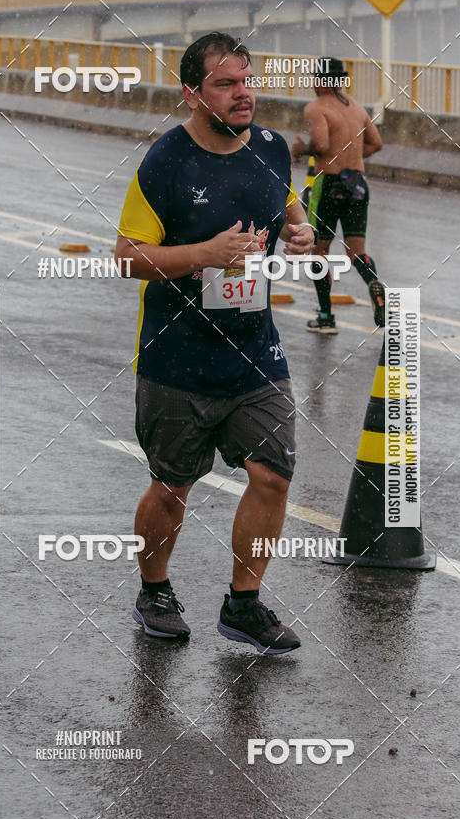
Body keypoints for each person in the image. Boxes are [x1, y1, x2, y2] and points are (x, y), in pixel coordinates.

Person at [115, 32, 315, 655]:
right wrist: (204, 255)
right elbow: (126, 258)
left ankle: (244, 604)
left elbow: (286, 208)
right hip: (177, 358)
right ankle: (155, 590)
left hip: (256, 353)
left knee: (273, 475)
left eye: (248, 80)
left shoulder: (273, 149)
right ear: (193, 94)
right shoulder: (165, 162)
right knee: (173, 484)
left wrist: (302, 231)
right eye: (227, 84)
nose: (244, 93)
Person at [291, 57, 385, 334]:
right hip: (356, 183)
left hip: (328, 185)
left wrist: (301, 149)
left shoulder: (316, 107)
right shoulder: (356, 107)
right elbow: (376, 143)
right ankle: (373, 284)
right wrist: (351, 160)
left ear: (320, 81)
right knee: (356, 252)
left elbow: (321, 144)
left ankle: (325, 317)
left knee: (318, 251)